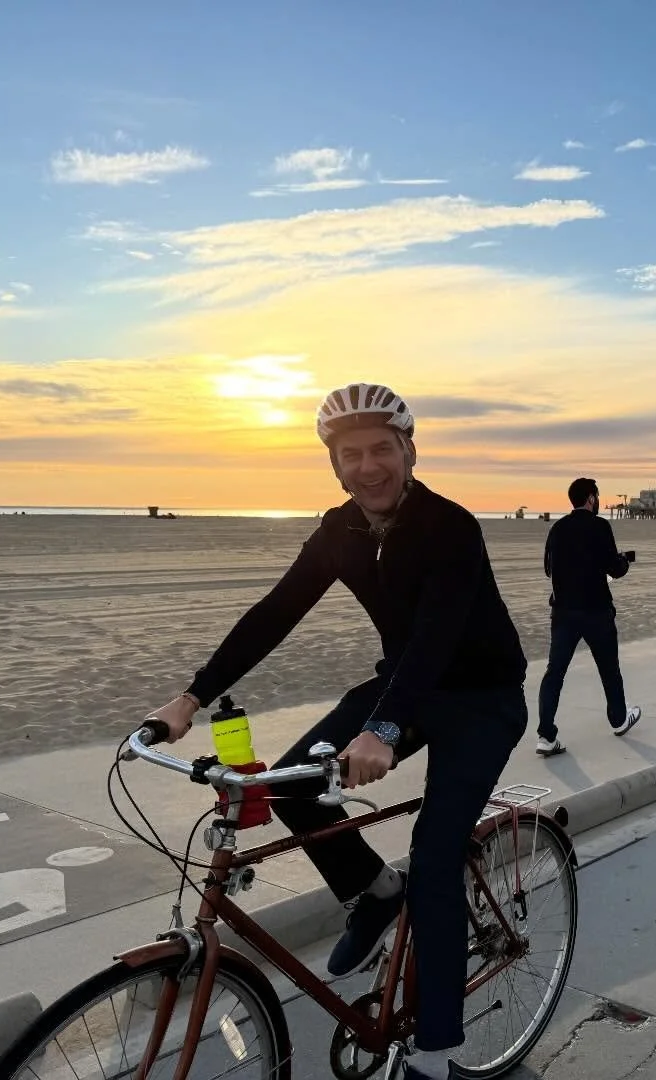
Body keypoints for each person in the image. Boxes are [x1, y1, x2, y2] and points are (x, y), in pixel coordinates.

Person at [143, 383, 527, 1080]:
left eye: (383, 449)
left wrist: (382, 727)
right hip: (400, 685)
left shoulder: (452, 526)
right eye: (351, 454)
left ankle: (436, 1051)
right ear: (334, 464)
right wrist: (191, 695)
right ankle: (377, 895)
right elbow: (275, 612)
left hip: (480, 698)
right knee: (291, 787)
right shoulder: (339, 531)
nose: (368, 466)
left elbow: (438, 635)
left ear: (409, 452)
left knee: (436, 859)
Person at [535, 477, 641, 757]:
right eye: (597, 496)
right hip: (596, 611)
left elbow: (548, 569)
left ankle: (545, 735)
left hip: (564, 613)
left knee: (554, 673)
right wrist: (623, 562)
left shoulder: (557, 528)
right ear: (591, 498)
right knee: (609, 669)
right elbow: (614, 569)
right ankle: (619, 720)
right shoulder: (600, 526)